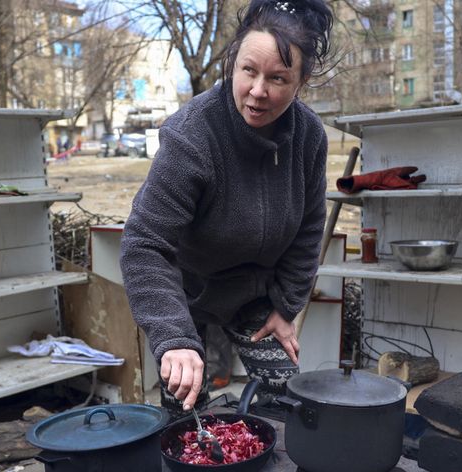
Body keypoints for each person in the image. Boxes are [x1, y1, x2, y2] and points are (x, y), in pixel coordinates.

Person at [120, 0, 334, 414]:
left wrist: (286, 306)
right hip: (184, 292)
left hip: (253, 291)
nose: (258, 91)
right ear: (234, 61)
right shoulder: (192, 135)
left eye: (277, 78)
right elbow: (145, 244)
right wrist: (173, 338)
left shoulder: (309, 137)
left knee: (284, 393)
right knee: (186, 410)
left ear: (301, 81)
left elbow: (310, 227)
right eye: (248, 70)